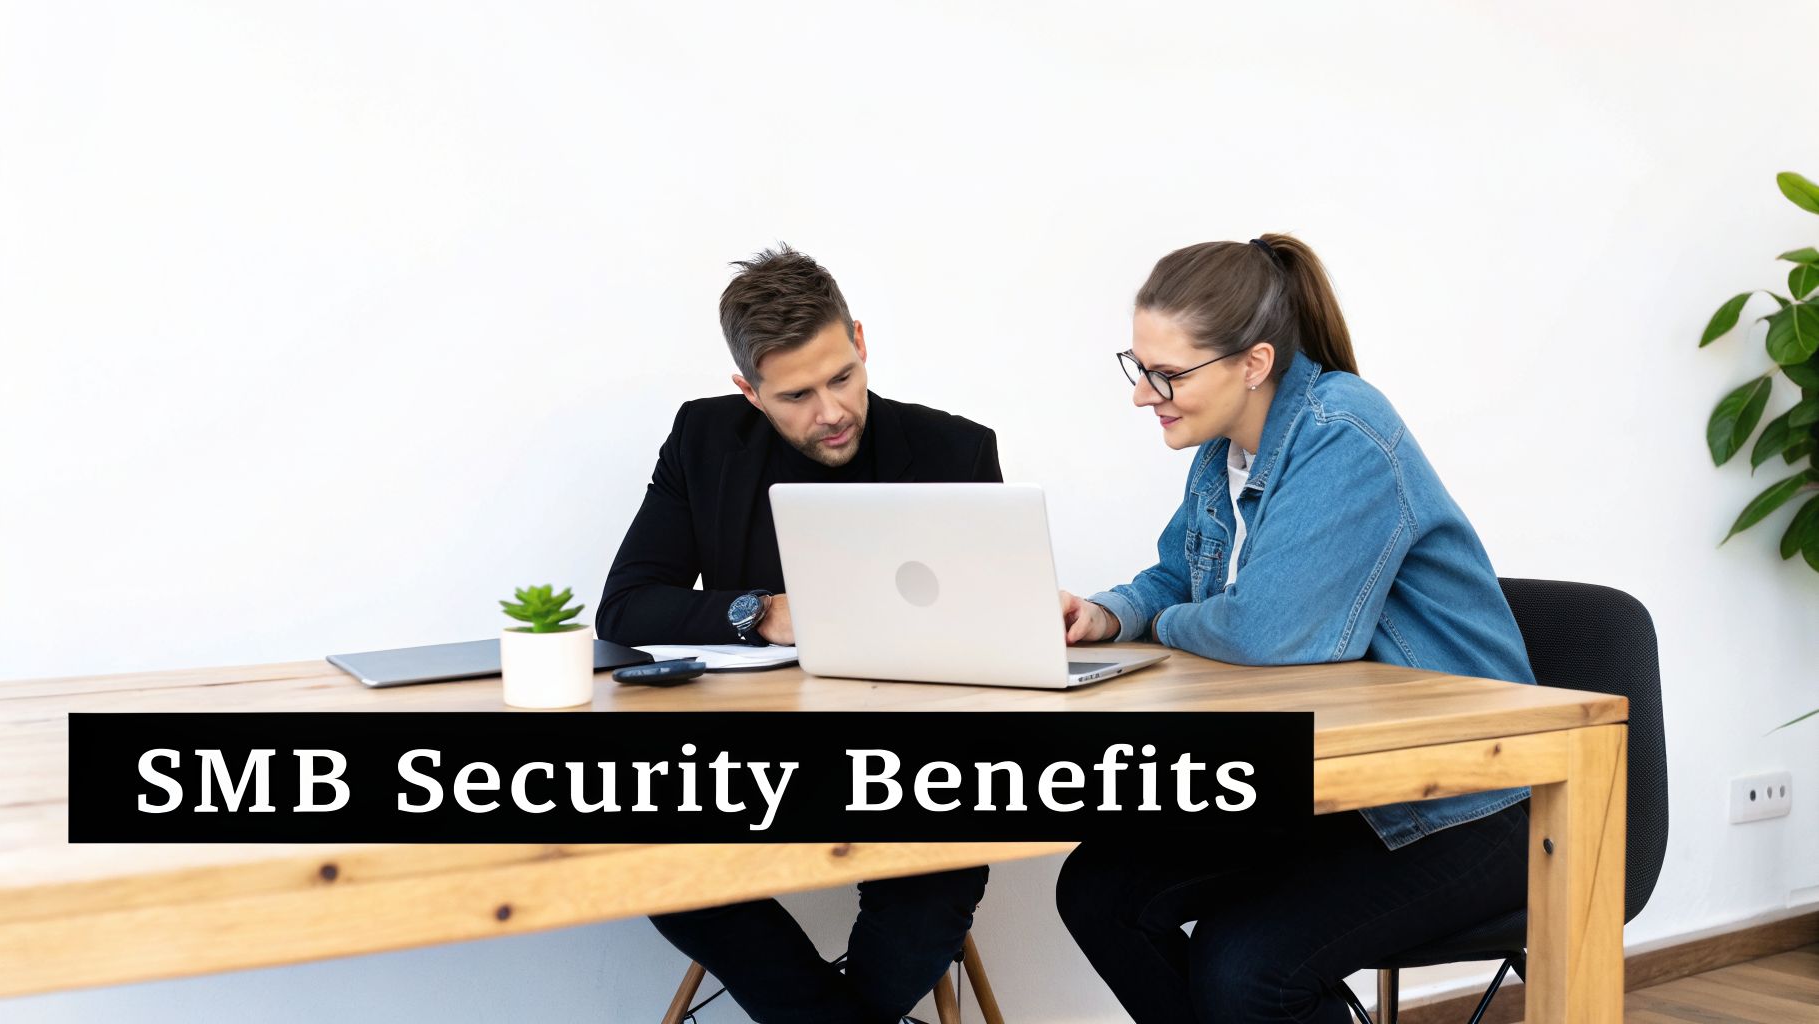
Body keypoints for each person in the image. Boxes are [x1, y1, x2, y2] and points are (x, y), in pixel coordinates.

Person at [1053, 234, 1535, 1023]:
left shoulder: (1344, 429)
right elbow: (1178, 574)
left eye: (1168, 374)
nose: (1145, 394)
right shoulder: (1222, 452)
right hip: (1340, 786)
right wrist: (1109, 613)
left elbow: (1273, 633)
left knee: (1245, 966)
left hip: (1465, 796)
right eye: (1138, 367)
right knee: (1101, 891)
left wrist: (1168, 625)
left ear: (1253, 362)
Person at [597, 245, 997, 1024]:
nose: (833, 410)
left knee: (939, 879)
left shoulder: (956, 450)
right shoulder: (702, 439)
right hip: (748, 759)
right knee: (661, 863)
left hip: (913, 764)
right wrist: (761, 612)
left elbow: (982, 629)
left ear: (860, 339)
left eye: (843, 375)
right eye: (796, 395)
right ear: (748, 390)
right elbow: (629, 606)